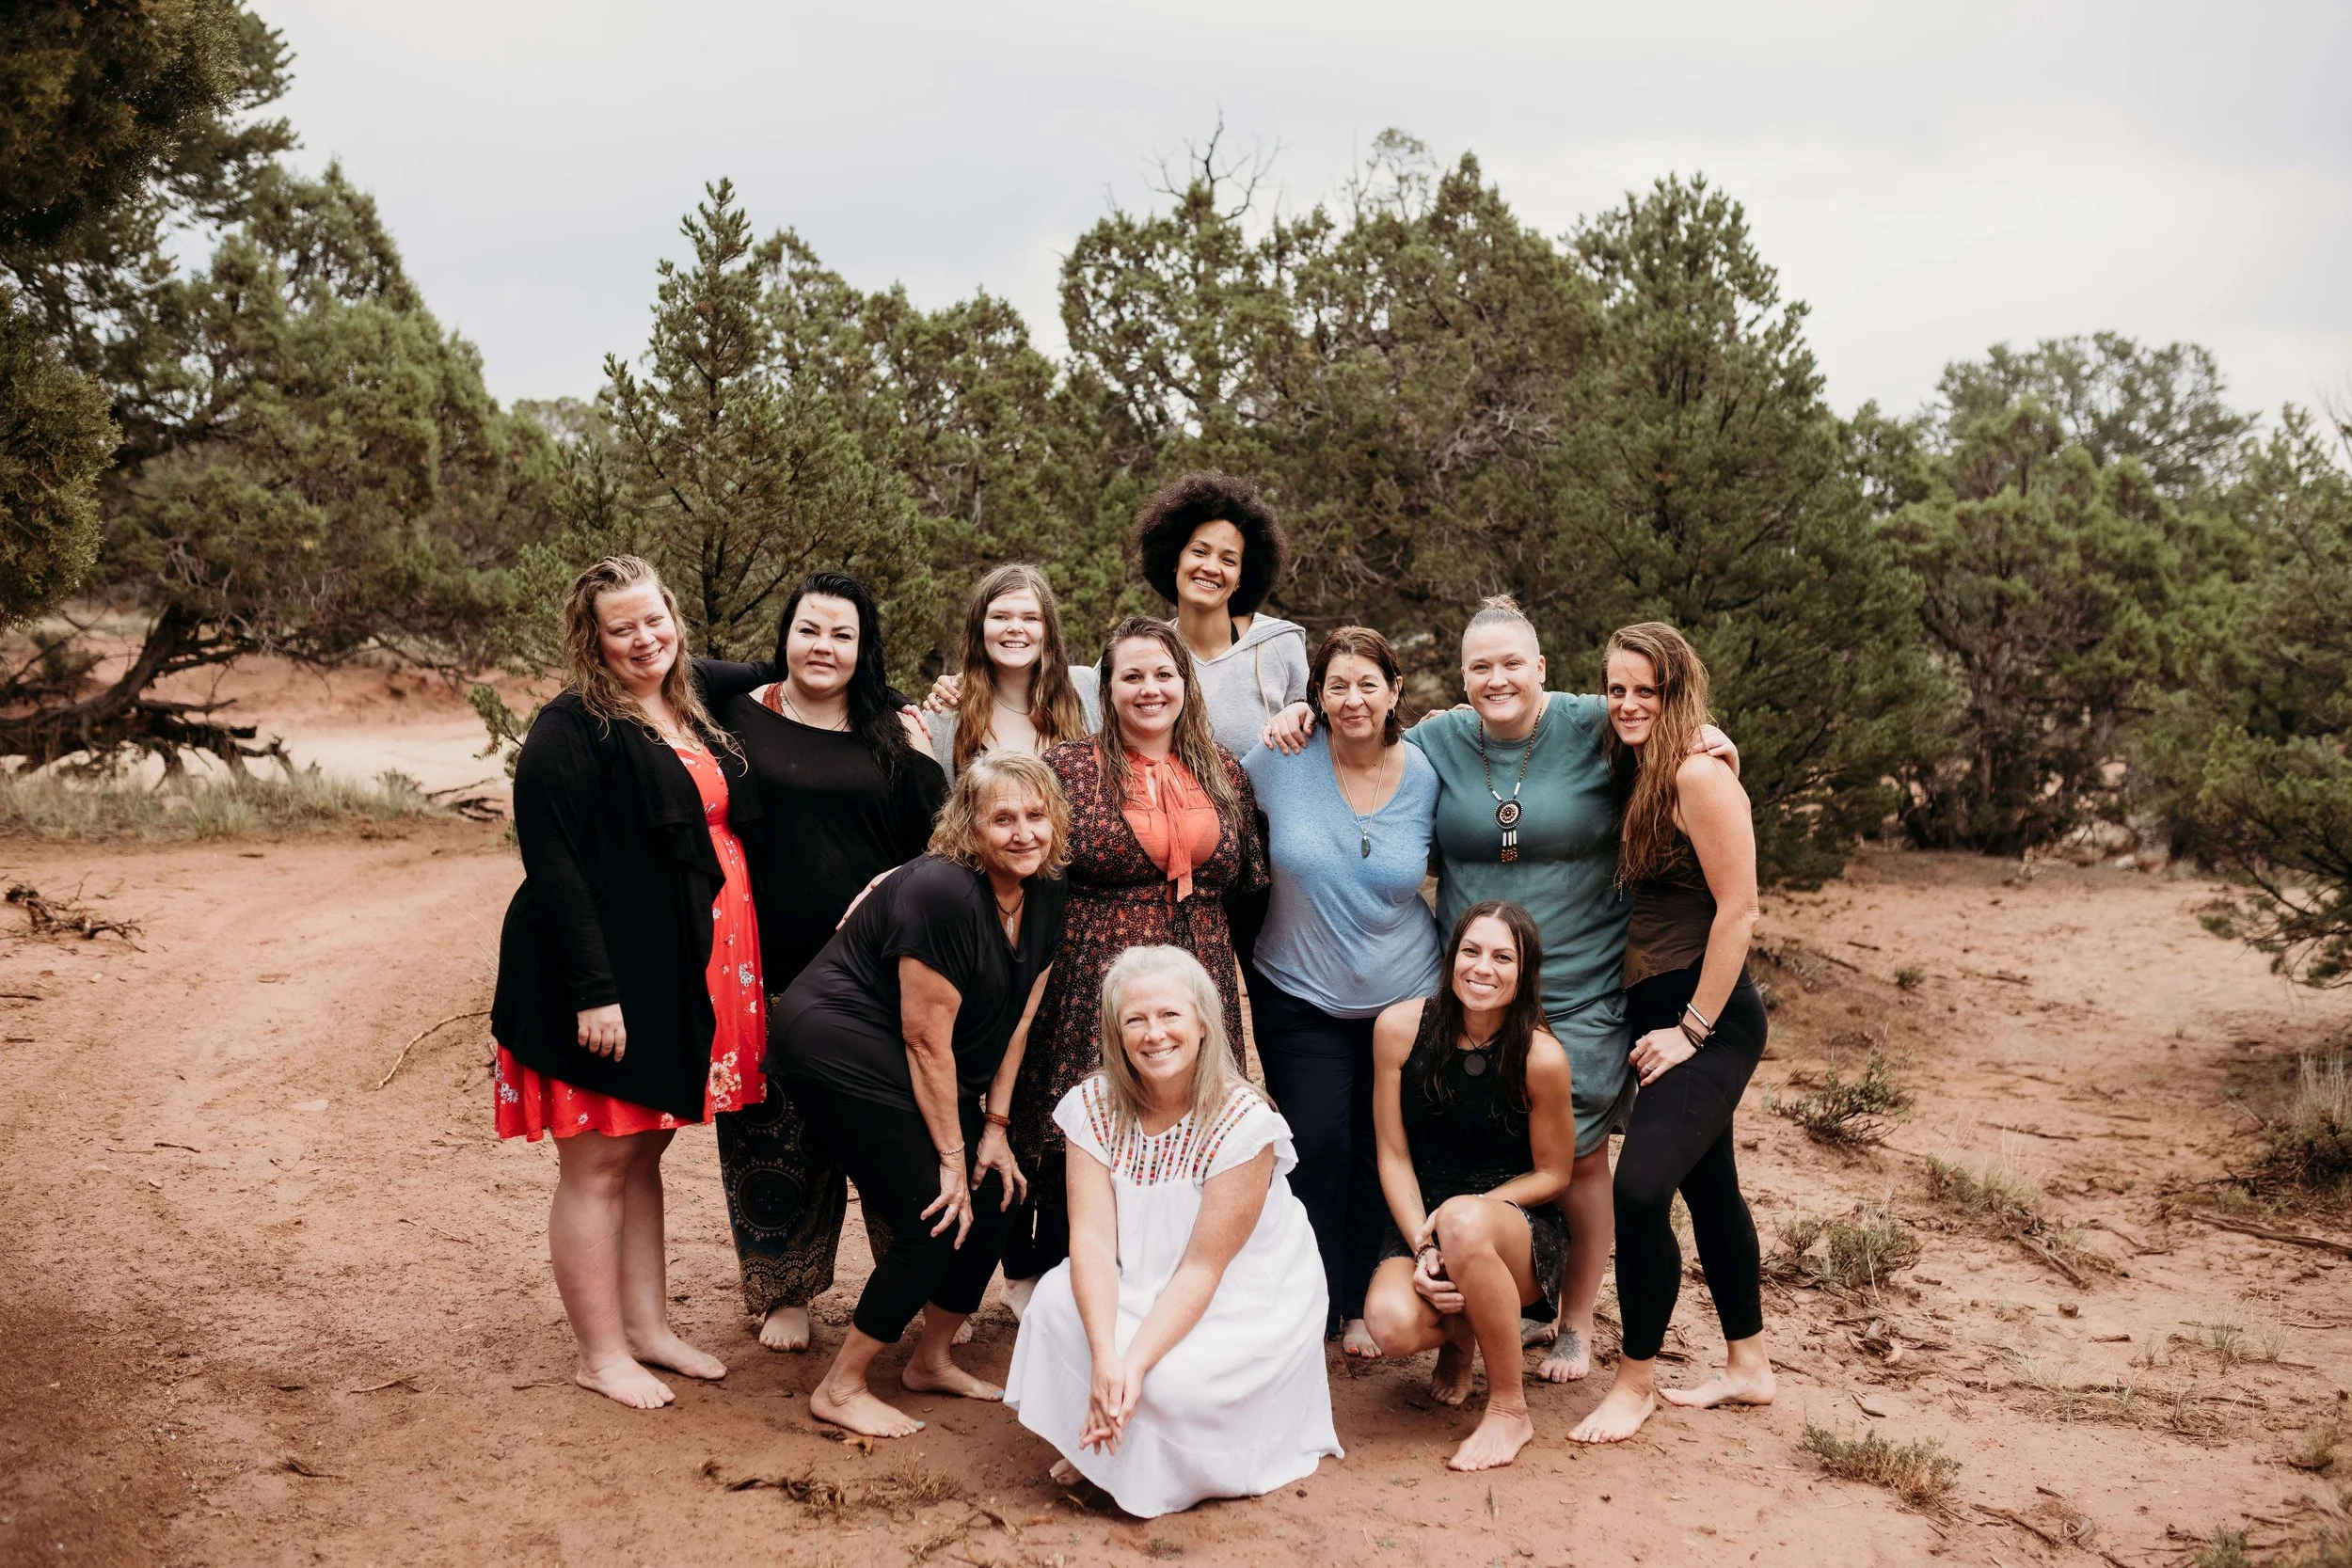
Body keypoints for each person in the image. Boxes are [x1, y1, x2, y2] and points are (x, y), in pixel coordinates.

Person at [1260, 596, 1737, 1384]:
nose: (1497, 678)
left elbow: (1660, 726)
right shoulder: (1441, 737)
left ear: (1542, 667)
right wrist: (1301, 722)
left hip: (1578, 988)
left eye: (1512, 662)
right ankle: (1466, 1320)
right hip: (1472, 986)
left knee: (1580, 1158)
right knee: (1466, 1142)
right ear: (1459, 676)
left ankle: (1574, 1321)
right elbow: (1362, 736)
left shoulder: (1591, 723)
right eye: (1479, 666)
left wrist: (1713, 741)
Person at [488, 555, 765, 1410]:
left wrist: (914, 698)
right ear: (592, 639)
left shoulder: (688, 695)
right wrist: (592, 990)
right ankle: (599, 1351)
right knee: (599, 1162)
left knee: (645, 1148)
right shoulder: (572, 728)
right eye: (622, 628)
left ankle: (648, 1329)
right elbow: (555, 868)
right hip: (606, 974)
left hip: (687, 963)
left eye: (655, 620)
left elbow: (790, 662)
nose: (644, 638)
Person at [764, 752, 1071, 1437]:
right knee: (935, 1209)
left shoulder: (1050, 892)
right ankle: (841, 1386)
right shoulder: (941, 890)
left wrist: (993, 1127)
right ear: (970, 826)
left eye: (1035, 815)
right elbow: (925, 1037)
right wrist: (951, 1156)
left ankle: (929, 1360)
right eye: (1002, 818)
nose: (1022, 832)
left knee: (996, 1193)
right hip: (836, 1041)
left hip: (910, 1054)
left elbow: (1020, 1022)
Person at [1003, 945, 1340, 1516]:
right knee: (1054, 1302)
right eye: (1134, 1019)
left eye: (1169, 1016)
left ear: (1204, 1024)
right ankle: (1109, 1445)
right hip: (1137, 1272)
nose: (1153, 1034)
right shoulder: (1092, 1105)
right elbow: (1090, 1241)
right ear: (1115, 1032)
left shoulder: (1245, 1123)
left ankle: (1119, 1446)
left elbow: (1203, 1268)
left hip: (1240, 1295)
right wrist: (1107, 1355)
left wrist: (1129, 1365)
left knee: (1168, 1386)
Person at [707, 572, 947, 1354]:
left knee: (890, 1129)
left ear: (863, 647)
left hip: (875, 974)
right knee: (772, 1136)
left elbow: (939, 836)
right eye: (810, 629)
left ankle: (912, 1279)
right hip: (767, 962)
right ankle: (785, 1290)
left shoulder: (894, 727)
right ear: (786, 634)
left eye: (843, 634)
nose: (824, 646)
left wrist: (918, 755)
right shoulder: (737, 715)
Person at [1000, 617, 1268, 1303]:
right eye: (1132, 676)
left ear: (1185, 683)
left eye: (1163, 674)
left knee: (1187, 1118)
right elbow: (1011, 851)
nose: (1150, 688)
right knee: (1086, 1116)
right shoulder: (1069, 767)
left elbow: (1249, 882)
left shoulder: (1224, 769)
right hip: (1093, 970)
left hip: (1198, 970)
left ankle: (1170, 1273)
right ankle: (1046, 1275)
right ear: (1108, 686)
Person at [1570, 623, 1772, 1444]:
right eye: (1615, 688)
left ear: (1677, 692)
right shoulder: (1646, 763)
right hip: (1661, 1011)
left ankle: (1636, 1381)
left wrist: (1692, 1028)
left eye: (1645, 691)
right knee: (1710, 1186)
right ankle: (1749, 1364)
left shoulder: (1696, 773)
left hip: (1706, 1018)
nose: (1626, 703)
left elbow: (1741, 909)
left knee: (1640, 1189)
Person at [1240, 626, 1440, 1359]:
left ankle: (1360, 1299)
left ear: (1394, 692)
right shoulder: (1280, 759)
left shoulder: (1425, 772)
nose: (1353, 699)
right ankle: (1310, 1299)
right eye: (1336, 686)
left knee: (1379, 1147)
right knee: (1315, 1145)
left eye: (1368, 684)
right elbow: (1209, 794)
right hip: (1298, 989)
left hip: (1406, 995)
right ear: (1315, 696)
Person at [1362, 901, 1575, 1472]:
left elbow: (1555, 1173)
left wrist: (1471, 1212)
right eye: (1471, 951)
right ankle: (1460, 1339)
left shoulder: (1542, 1056)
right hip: (1423, 1215)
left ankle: (1509, 1407)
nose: (1483, 968)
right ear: (1451, 957)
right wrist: (1426, 1245)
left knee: (1463, 1220)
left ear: (1524, 972)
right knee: (1389, 1324)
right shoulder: (1399, 1029)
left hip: (1515, 1230)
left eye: (1503, 957)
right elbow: (1393, 1152)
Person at [1129, 471, 1310, 758]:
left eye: (1228, 559)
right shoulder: (1138, 653)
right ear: (1175, 560)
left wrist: (1306, 710)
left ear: (1241, 578)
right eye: (1199, 552)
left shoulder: (1279, 645)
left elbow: (1315, 737)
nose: (1212, 568)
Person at [922, 563, 1101, 776]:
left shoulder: (1088, 688)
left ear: (1048, 630)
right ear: (980, 628)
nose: (1015, 628)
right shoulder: (947, 715)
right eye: (1000, 617)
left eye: (1030, 618)